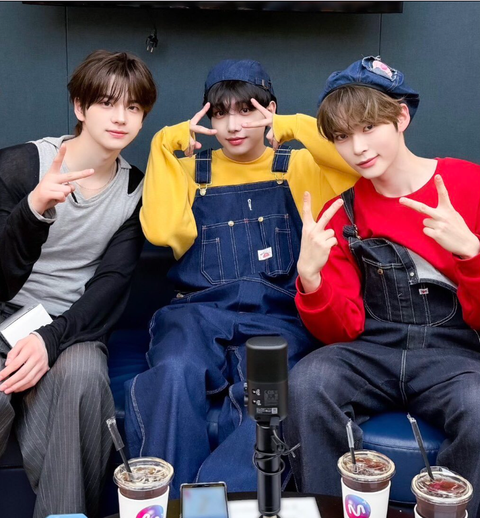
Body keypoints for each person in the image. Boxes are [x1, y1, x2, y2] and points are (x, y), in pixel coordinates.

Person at [124, 59, 358, 497]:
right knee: (173, 371)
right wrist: (162, 145)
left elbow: (355, 170)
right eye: (220, 113)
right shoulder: (190, 170)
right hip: (197, 313)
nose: (232, 125)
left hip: (279, 316)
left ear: (270, 110)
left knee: (271, 395)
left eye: (247, 110)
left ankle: (221, 501)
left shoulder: (299, 165)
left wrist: (292, 127)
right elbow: (161, 231)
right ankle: (168, 503)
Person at [285, 56, 480, 517]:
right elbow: (342, 330)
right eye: (341, 136)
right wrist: (310, 279)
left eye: (369, 127)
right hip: (373, 349)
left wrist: (471, 254)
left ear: (402, 117)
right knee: (308, 382)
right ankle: (331, 510)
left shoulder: (469, 185)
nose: (357, 147)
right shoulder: (341, 212)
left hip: (454, 356)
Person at [0, 49, 157, 518]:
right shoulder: (21, 165)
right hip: (5, 316)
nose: (121, 117)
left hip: (72, 329)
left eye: (133, 107)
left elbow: (110, 288)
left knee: (85, 379)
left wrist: (49, 340)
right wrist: (34, 210)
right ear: (79, 107)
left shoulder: (135, 192)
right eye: (108, 103)